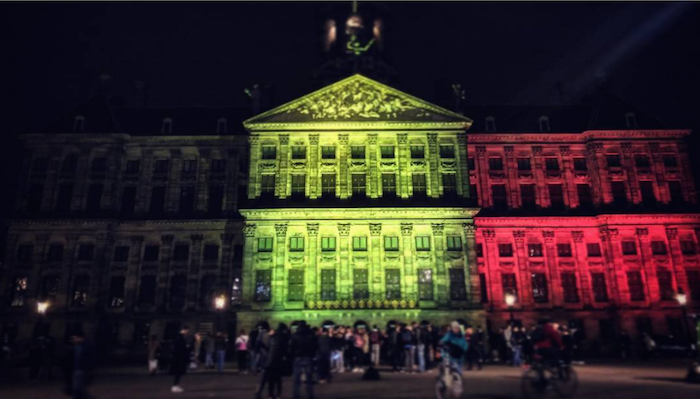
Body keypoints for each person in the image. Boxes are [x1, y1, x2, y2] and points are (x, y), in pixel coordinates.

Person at [256, 323, 289, 399]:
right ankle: (278, 395)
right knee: (278, 379)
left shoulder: (272, 336)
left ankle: (269, 395)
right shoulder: (283, 338)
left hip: (269, 360)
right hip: (278, 361)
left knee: (269, 379)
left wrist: (265, 355)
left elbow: (266, 347)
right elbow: (284, 350)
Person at [290, 321, 317, 399]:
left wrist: (292, 356)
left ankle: (296, 395)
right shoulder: (311, 335)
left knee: (296, 378)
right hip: (308, 357)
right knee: (309, 378)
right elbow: (315, 346)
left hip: (298, 357)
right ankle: (310, 395)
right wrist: (312, 355)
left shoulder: (295, 335)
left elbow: (291, 347)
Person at [69, 330, 95, 399]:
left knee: (78, 389)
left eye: (75, 338)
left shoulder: (87, 346)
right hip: (76, 369)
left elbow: (91, 358)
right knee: (77, 388)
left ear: (80, 338)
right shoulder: (76, 347)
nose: (73, 340)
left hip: (83, 370)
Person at [171, 325, 191, 393]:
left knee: (178, 372)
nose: (187, 332)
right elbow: (181, 348)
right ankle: (175, 386)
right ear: (184, 330)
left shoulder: (178, 337)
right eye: (187, 331)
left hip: (178, 357)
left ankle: (176, 385)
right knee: (178, 372)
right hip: (179, 358)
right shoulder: (180, 337)